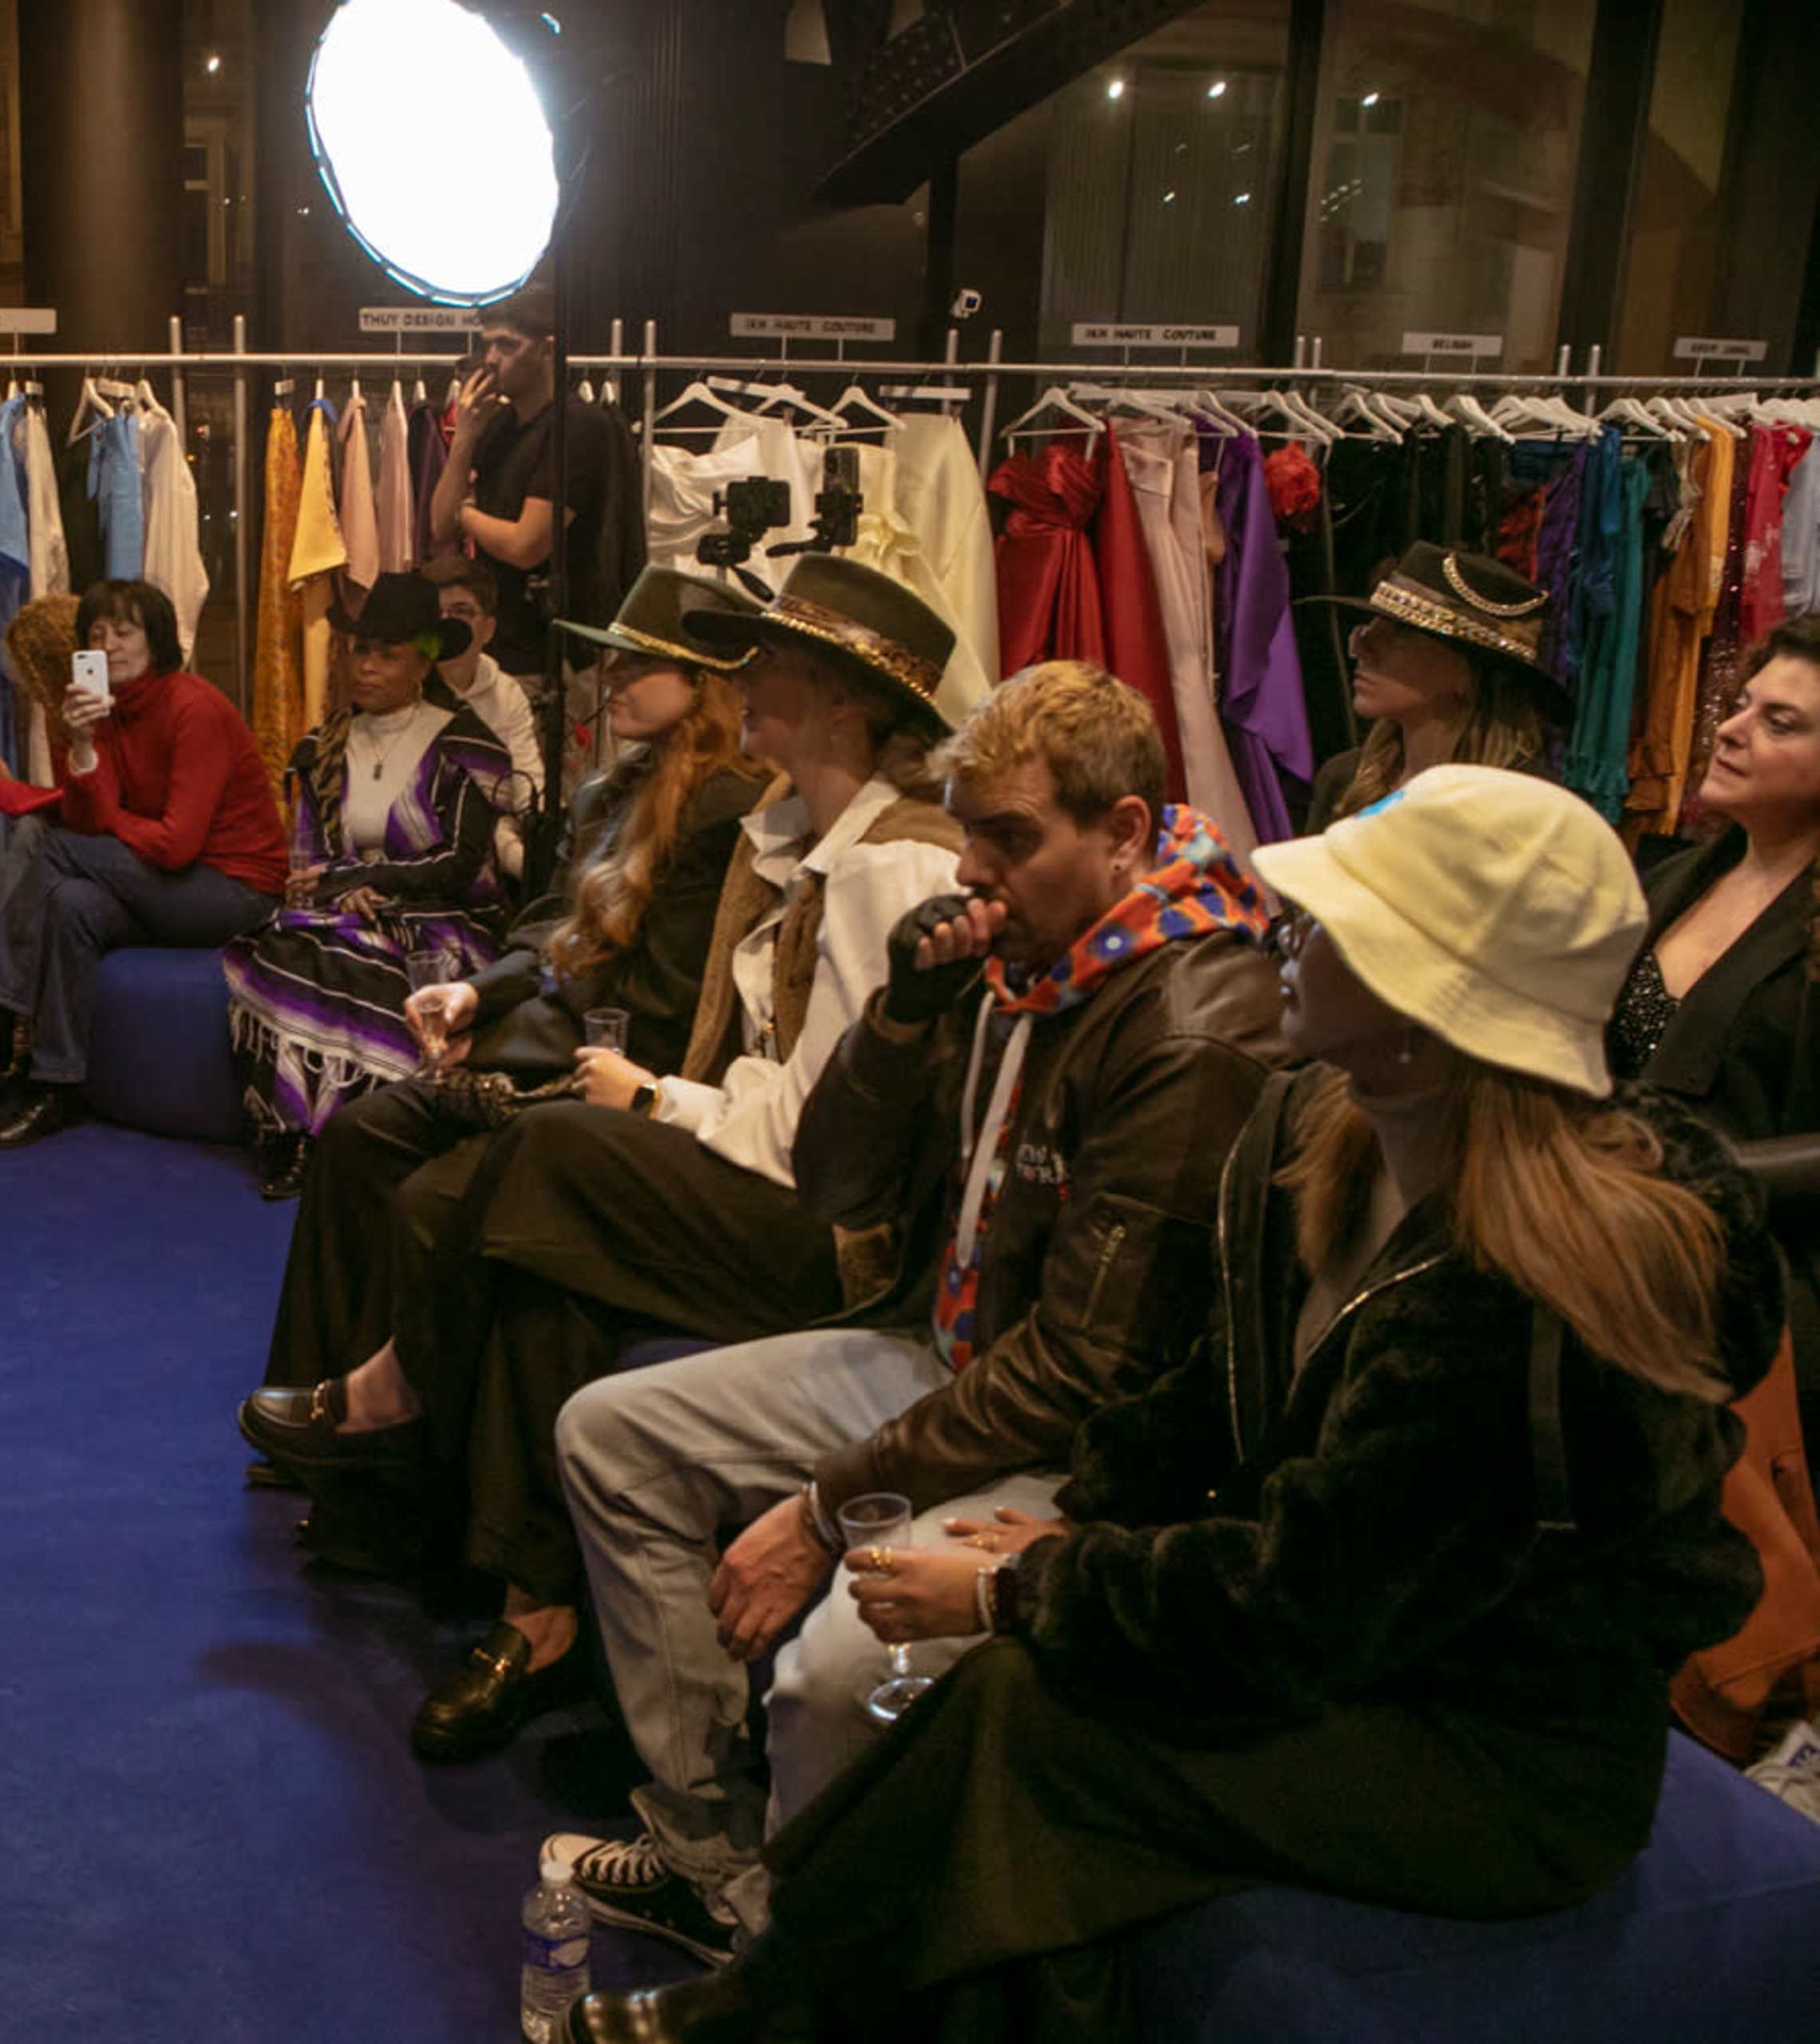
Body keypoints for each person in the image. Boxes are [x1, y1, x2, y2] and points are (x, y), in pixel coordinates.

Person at [560, 766, 1776, 2042]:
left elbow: (1312, 1606)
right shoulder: (1325, 1125)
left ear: (1434, 1017)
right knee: (1012, 1723)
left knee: (1029, 1719)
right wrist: (1081, 1521)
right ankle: (793, 1995)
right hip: (1366, 1645)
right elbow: (1210, 1389)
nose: (1286, 929)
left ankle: (774, 2006)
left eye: (1342, 924)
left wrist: (1026, 1585)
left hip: (1496, 1752)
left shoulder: (1527, 1302)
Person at [537, 662, 1286, 1955]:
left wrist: (825, 1510)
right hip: (946, 1355)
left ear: (1121, 833)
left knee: (838, 1667)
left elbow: (1087, 1373)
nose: (975, 871)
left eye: (1011, 839)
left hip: (1090, 1450)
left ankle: (809, 1975)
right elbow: (834, 1184)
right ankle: (721, 1868)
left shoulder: (1191, 1020)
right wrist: (900, 1015)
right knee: (611, 1433)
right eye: (968, 832)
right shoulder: (1017, 960)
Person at [240, 561, 971, 1760]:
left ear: (845, 702)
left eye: (774, 660)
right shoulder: (795, 831)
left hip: (838, 1239)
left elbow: (822, 1143)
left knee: (551, 1147)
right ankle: (536, 1618)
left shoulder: (889, 861)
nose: (752, 677)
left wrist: (655, 1099)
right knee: (539, 1248)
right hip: (746, 1156)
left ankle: (392, 1394)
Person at [258, 568, 771, 1420]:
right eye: (613, 661)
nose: (610, 680)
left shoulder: (720, 810)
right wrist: (477, 993)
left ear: (704, 683)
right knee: (353, 1138)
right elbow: (546, 924)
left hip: (602, 1061)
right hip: (536, 1023)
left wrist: (512, 1015)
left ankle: (381, 1439)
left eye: (635, 665)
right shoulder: (614, 791)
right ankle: (329, 1416)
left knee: (424, 1189)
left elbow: (659, 994)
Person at [0, 578, 285, 1149]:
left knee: (58, 850)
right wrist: (81, 745)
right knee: (73, 902)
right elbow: (87, 821)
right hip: (167, 886)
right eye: (97, 635)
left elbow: (176, 844)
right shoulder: (97, 712)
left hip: (234, 891)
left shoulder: (193, 707)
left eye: (125, 632)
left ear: (156, 642)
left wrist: (106, 824)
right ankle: (57, 1086)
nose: (110, 646)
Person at [224, 570, 518, 1195]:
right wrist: (341, 889)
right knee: (287, 939)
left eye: (388, 655)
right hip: (344, 912)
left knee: (354, 952)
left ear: (422, 663)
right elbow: (308, 868)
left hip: (447, 919)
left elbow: (460, 865)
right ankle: (291, 1132)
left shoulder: (467, 745)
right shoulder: (320, 746)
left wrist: (366, 881)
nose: (368, 667)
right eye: (361, 650)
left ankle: (360, 1130)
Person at [1624, 615, 1820, 1449]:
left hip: (1755, 1303)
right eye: (1741, 706)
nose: (1732, 732)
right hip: (1617, 1262)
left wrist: (1693, 1177)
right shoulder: (1672, 881)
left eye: (1780, 723)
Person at [427, 290, 631, 695]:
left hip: (556, 656)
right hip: (498, 647)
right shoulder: (498, 425)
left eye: (508, 345)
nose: (491, 359)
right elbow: (439, 524)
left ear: (546, 350)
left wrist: (468, 516)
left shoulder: (577, 426)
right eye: (487, 345)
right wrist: (465, 436)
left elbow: (526, 545)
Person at [1295, 541, 1562, 834]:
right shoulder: (1344, 780)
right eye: (1368, 628)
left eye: (1400, 634)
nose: (1363, 648)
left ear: (1467, 674)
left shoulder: (1528, 810)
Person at [424, 554, 546, 874]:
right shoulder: (405, 687)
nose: (447, 622)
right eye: (436, 613)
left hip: (494, 829)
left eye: (461, 612)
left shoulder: (506, 693)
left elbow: (528, 779)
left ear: (488, 629)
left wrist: (542, 828)